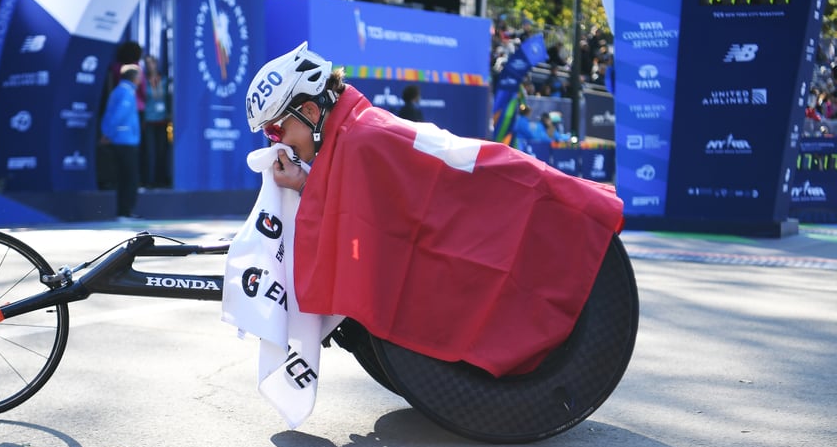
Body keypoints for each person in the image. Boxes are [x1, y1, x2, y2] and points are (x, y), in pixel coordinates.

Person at [240, 42, 624, 380]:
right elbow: (360, 213)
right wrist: (306, 184)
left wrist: (307, 187)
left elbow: (358, 228)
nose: (276, 142)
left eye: (276, 131)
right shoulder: (355, 132)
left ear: (309, 109)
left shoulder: (361, 142)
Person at [101, 64, 142, 220]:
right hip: (125, 141)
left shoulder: (119, 91)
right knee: (129, 178)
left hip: (122, 140)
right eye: (139, 77)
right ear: (134, 78)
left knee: (125, 177)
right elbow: (118, 115)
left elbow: (109, 114)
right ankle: (125, 212)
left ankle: (124, 212)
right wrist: (108, 133)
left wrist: (106, 132)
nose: (140, 80)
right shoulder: (126, 92)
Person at [141, 54, 172, 188]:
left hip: (162, 120)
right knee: (150, 152)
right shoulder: (143, 81)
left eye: (152, 62)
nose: (150, 65)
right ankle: (149, 180)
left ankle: (161, 179)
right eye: (147, 63)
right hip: (149, 121)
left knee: (161, 151)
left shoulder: (164, 80)